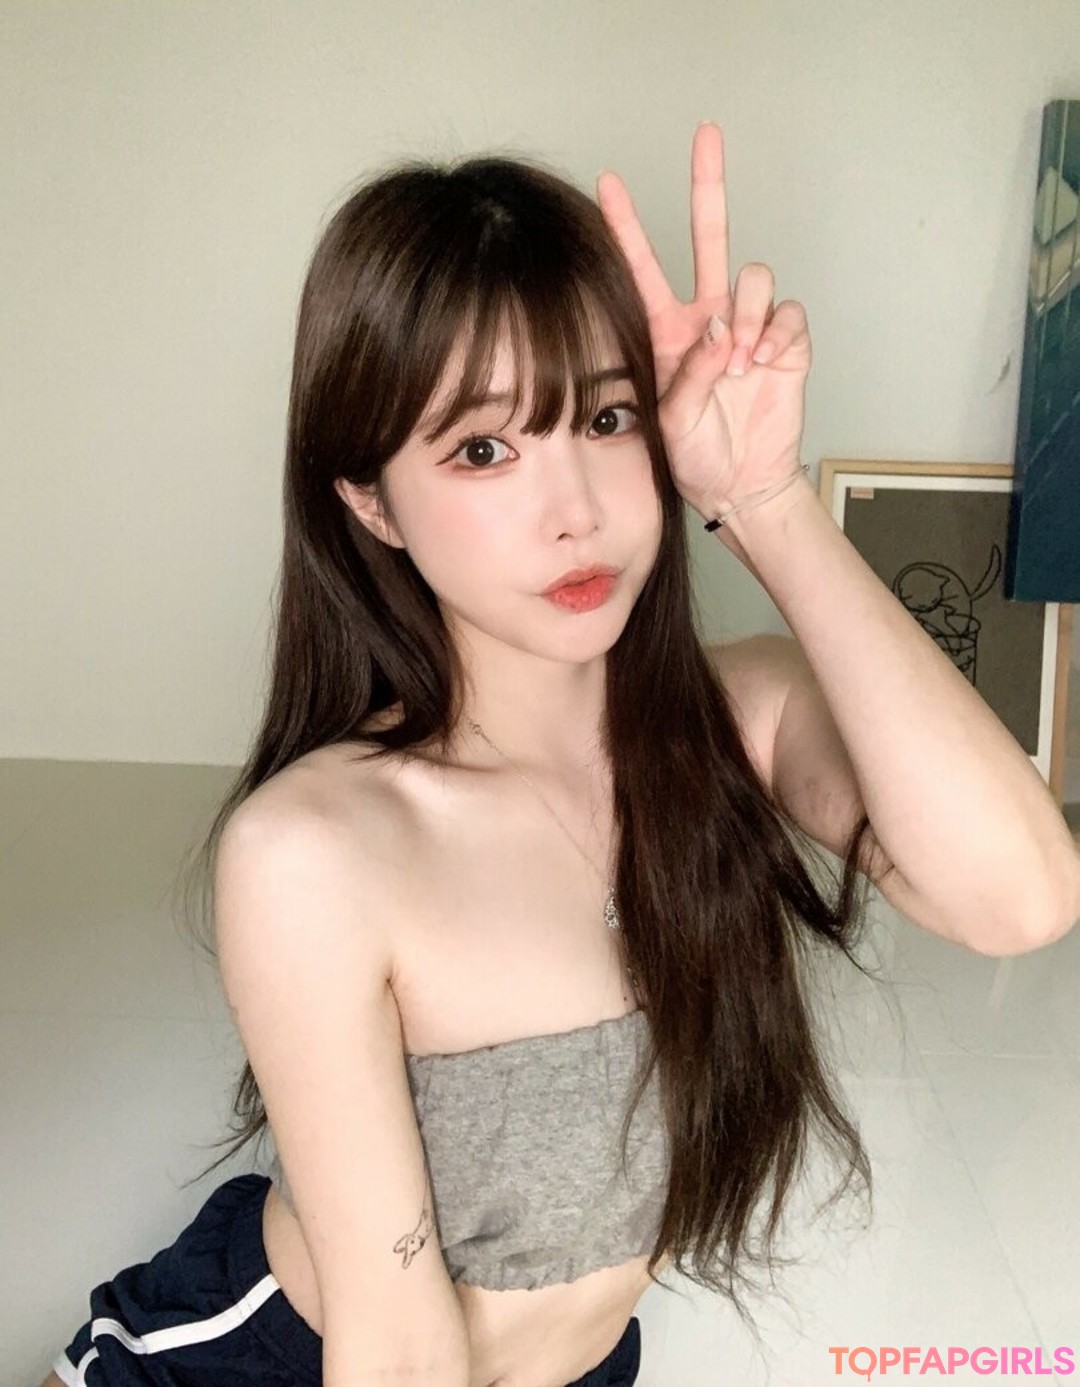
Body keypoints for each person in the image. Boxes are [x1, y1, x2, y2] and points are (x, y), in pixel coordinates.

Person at [44, 122, 1079, 1387]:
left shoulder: (738, 718)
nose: (574, 509)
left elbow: (1021, 896)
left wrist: (761, 497)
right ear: (369, 500)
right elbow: (399, 1348)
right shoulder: (316, 849)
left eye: (605, 416)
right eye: (483, 449)